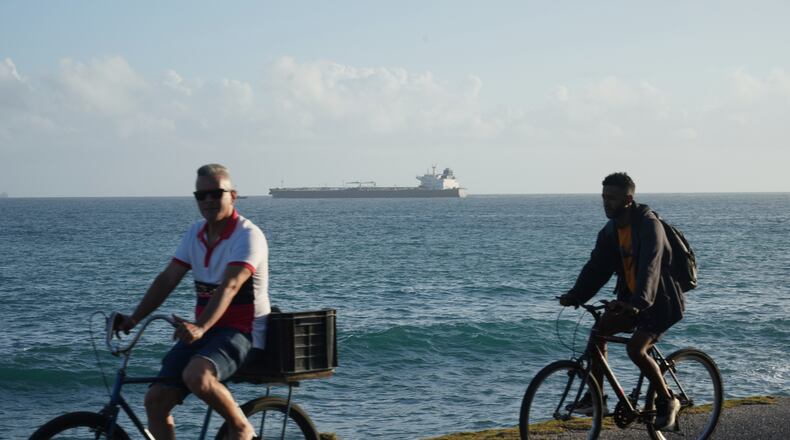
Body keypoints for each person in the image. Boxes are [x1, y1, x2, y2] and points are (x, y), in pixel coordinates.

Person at [115, 164, 269, 440]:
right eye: (201, 195)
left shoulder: (247, 235)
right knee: (155, 400)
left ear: (233, 196)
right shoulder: (195, 233)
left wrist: (200, 327)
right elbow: (168, 279)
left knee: (197, 376)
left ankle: (241, 427)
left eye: (216, 193)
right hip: (206, 331)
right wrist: (134, 318)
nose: (208, 200)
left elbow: (231, 286)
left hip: (242, 331)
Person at [558, 172, 685, 430]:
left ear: (628, 199)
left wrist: (638, 303)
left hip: (661, 301)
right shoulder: (611, 231)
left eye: (612, 198)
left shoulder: (650, 226)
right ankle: (596, 399)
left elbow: (651, 267)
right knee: (598, 333)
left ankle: (668, 399)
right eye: (604, 197)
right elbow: (597, 267)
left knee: (636, 349)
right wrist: (576, 295)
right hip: (631, 300)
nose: (606, 203)